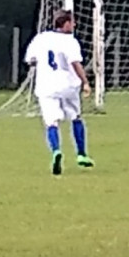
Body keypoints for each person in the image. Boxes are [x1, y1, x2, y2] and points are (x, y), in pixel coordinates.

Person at [23, 10, 93, 175]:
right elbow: (75, 63)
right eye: (72, 21)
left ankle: (56, 151)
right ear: (66, 23)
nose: (74, 25)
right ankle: (81, 154)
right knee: (75, 117)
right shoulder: (70, 41)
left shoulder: (41, 38)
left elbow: (30, 60)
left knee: (51, 122)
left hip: (46, 86)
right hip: (68, 86)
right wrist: (85, 82)